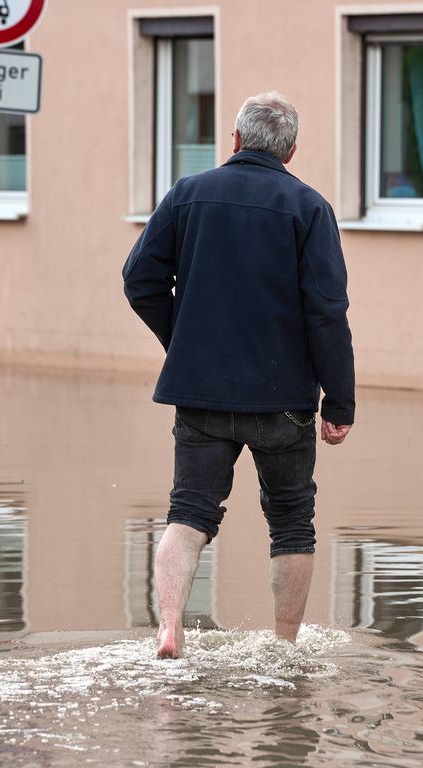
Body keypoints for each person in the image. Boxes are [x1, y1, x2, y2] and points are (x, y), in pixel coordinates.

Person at [122, 91, 355, 659]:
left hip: (201, 393)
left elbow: (139, 280)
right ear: (291, 151)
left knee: (189, 511)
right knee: (293, 520)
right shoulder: (309, 208)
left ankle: (170, 630)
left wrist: (183, 342)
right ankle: (284, 647)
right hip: (285, 402)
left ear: (234, 140)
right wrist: (340, 403)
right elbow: (326, 310)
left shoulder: (186, 196)